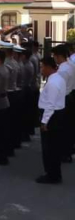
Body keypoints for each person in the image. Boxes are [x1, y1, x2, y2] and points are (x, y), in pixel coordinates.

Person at [37, 56, 67, 184]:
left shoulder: (53, 82)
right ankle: (54, 173)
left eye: (42, 67)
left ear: (49, 67)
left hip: (52, 116)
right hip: (56, 115)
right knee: (54, 147)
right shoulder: (57, 78)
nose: (41, 70)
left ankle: (51, 175)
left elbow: (50, 104)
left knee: (49, 148)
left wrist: (45, 121)